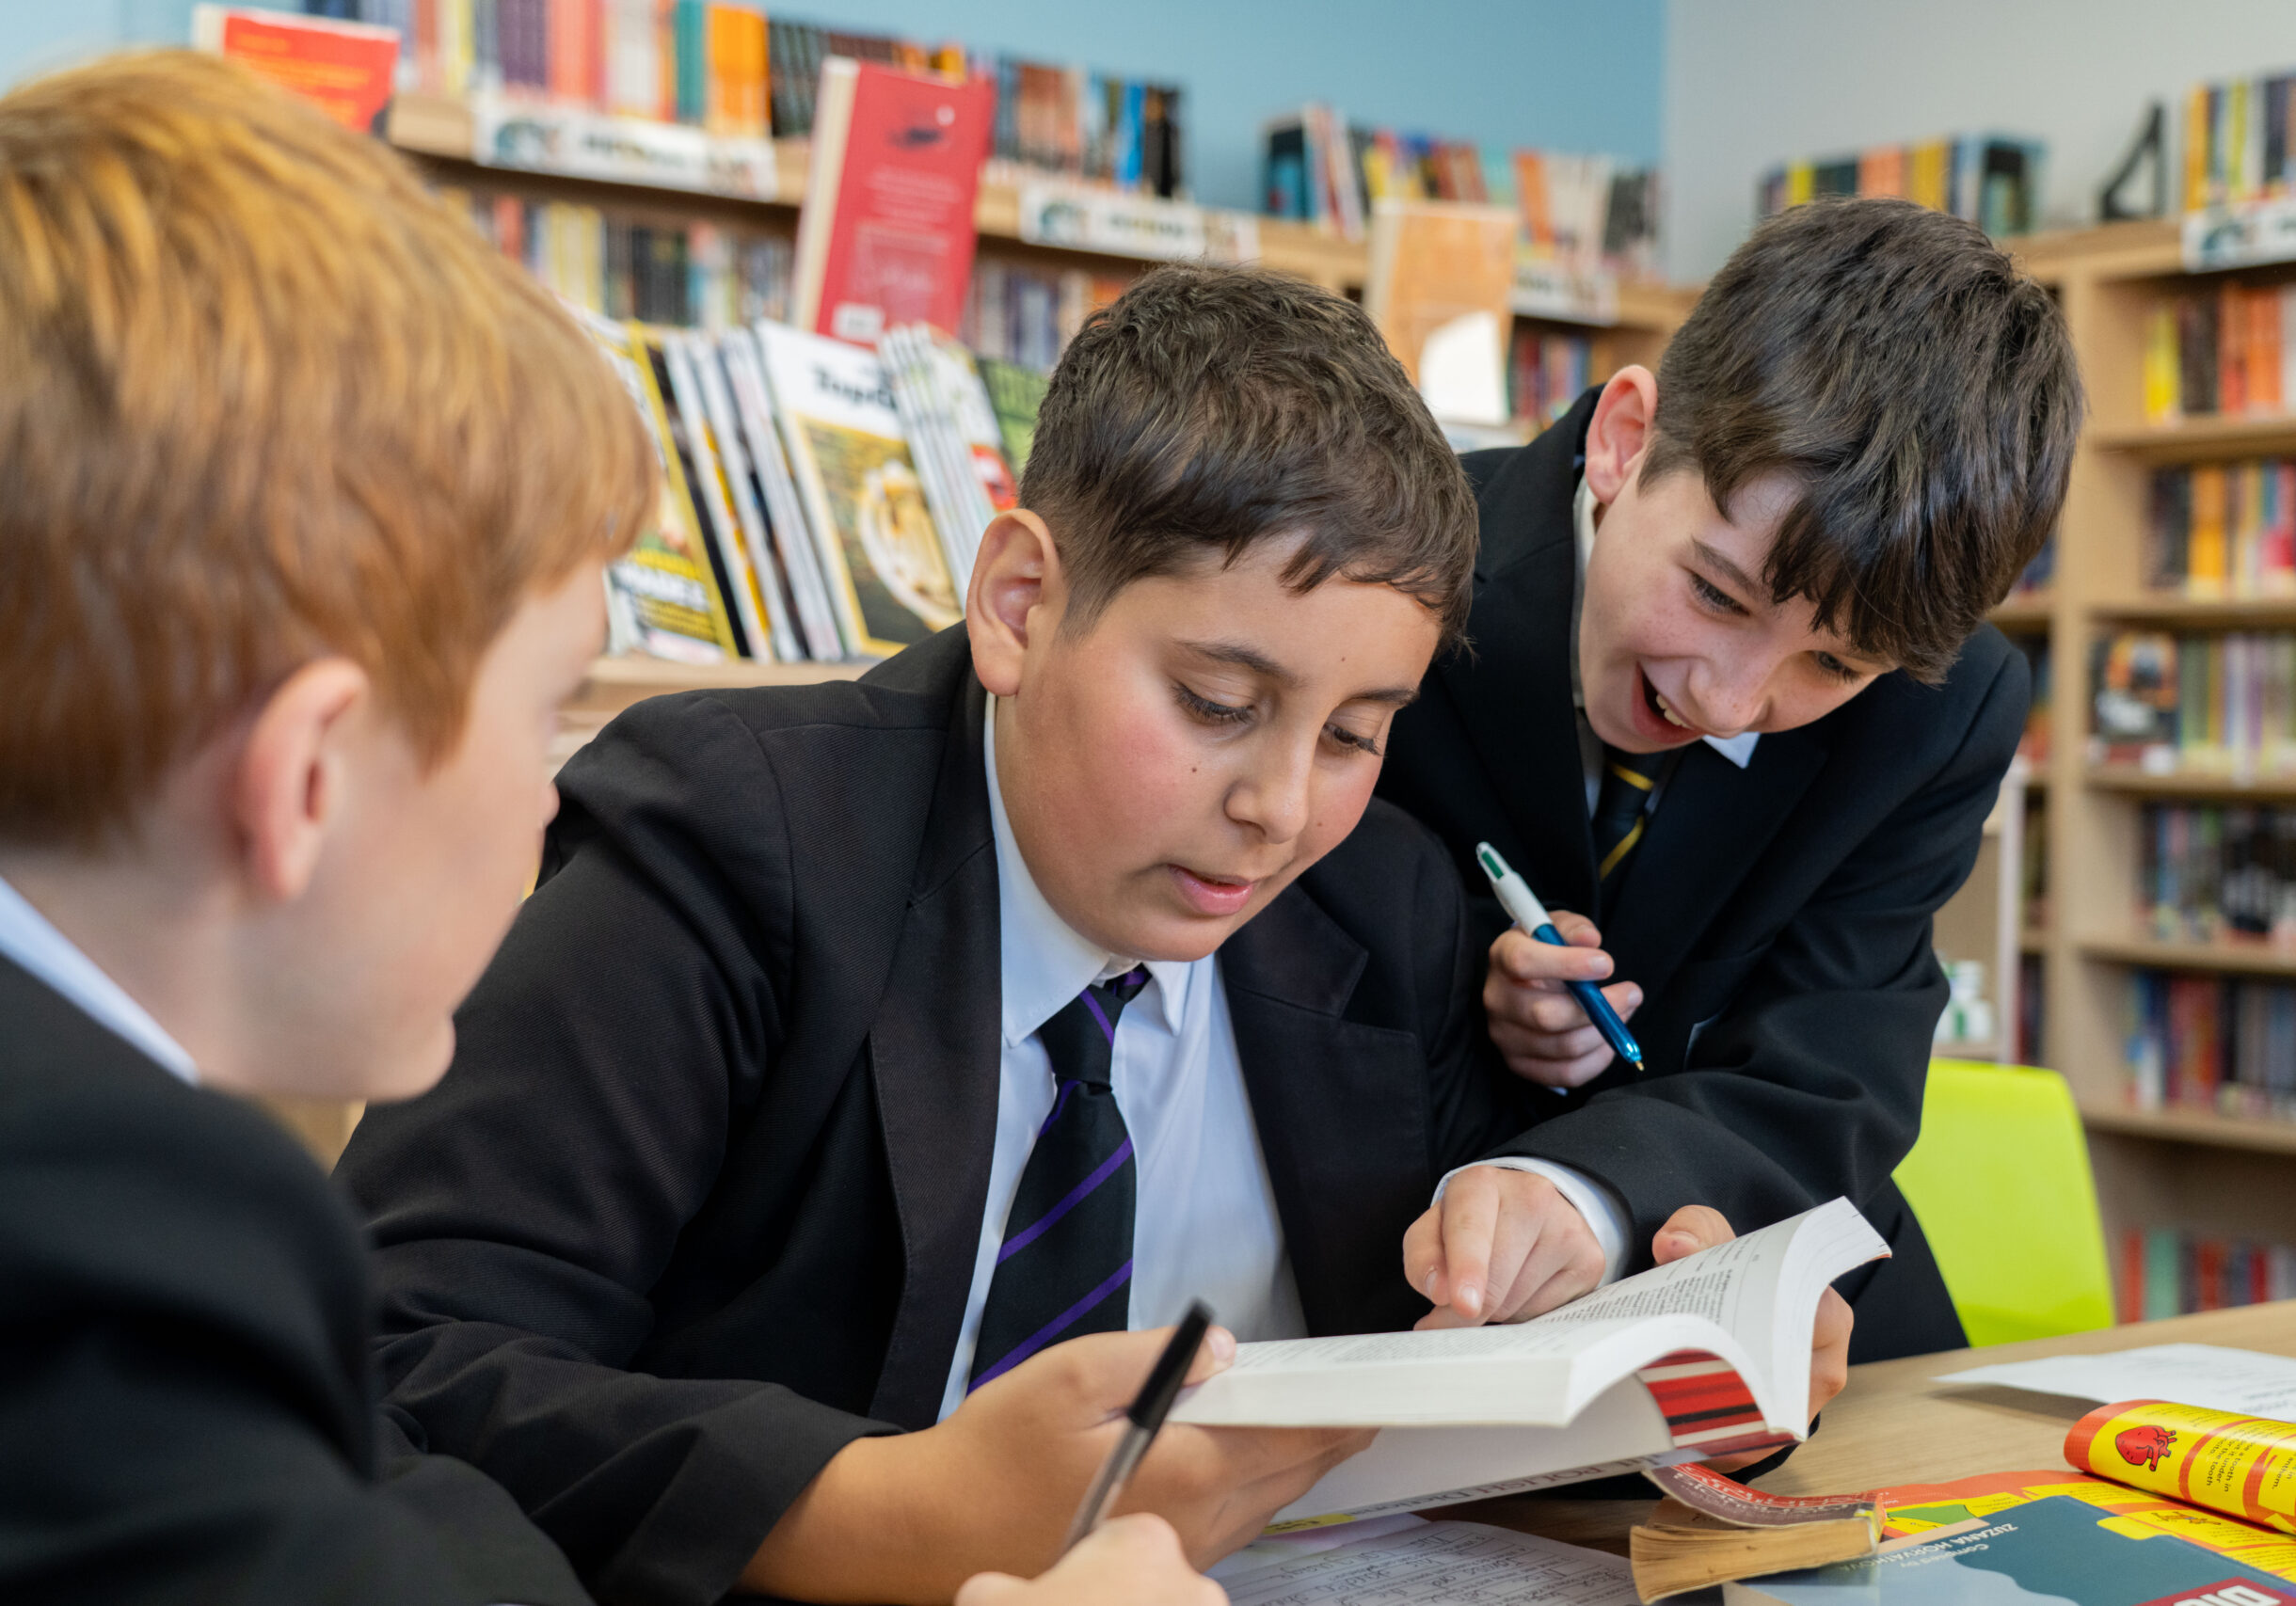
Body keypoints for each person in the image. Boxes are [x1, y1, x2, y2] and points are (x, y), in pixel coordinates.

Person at [334, 262, 1851, 1606]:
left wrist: (1676, 1364)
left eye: (1356, 731)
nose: (1278, 810)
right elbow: (401, 1354)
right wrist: (885, 1509)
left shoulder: (1379, 904)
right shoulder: (733, 840)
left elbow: (1467, 1357)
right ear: (1017, 603)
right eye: (1215, 703)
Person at [0, 50, 1221, 1606]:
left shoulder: (140, 1202)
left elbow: (392, 1507)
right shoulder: (99, 1274)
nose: (547, 796)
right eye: (543, 712)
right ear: (308, 777)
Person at [1375, 197, 2084, 1363]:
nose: (1727, 703)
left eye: (1832, 665)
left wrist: (1595, 1195)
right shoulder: (1397, 560)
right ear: (1623, 441)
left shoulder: (1941, 709)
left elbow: (1833, 1066)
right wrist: (1473, 990)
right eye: (1714, 593)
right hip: (1407, 1279)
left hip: (1763, 1271)